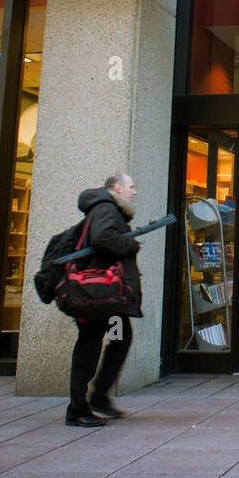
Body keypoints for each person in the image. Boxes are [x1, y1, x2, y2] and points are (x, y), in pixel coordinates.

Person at [66, 172, 143, 427]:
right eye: (130, 187)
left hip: (107, 299)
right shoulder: (107, 208)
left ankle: (99, 397)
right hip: (96, 296)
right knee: (89, 346)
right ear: (117, 188)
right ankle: (78, 409)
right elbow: (101, 238)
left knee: (119, 339)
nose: (134, 192)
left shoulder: (107, 209)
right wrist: (130, 246)